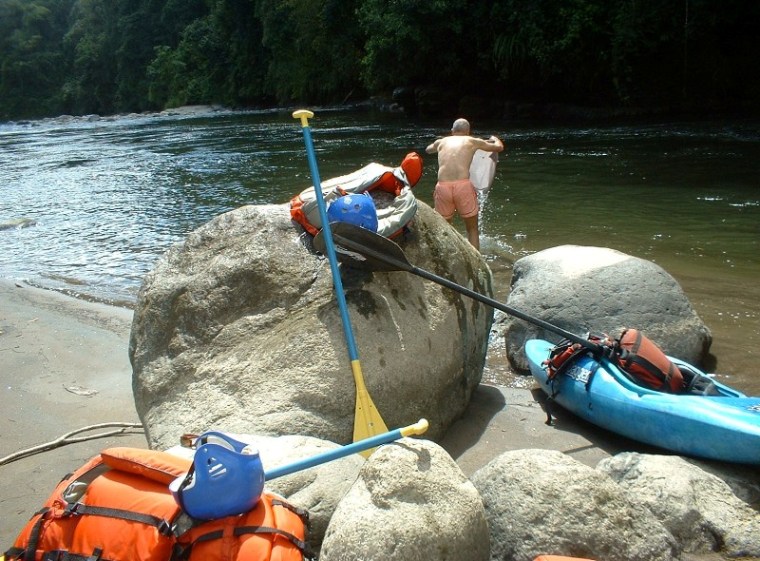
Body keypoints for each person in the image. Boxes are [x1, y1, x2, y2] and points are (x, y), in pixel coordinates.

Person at [425, 118, 504, 251]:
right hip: (463, 186)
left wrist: (439, 143)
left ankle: (446, 258)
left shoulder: (441, 142)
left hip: (442, 187)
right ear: (468, 132)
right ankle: (477, 263)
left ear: (452, 131)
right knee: (472, 228)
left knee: (444, 228)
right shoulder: (472, 141)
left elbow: (428, 150)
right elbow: (499, 147)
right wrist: (495, 138)